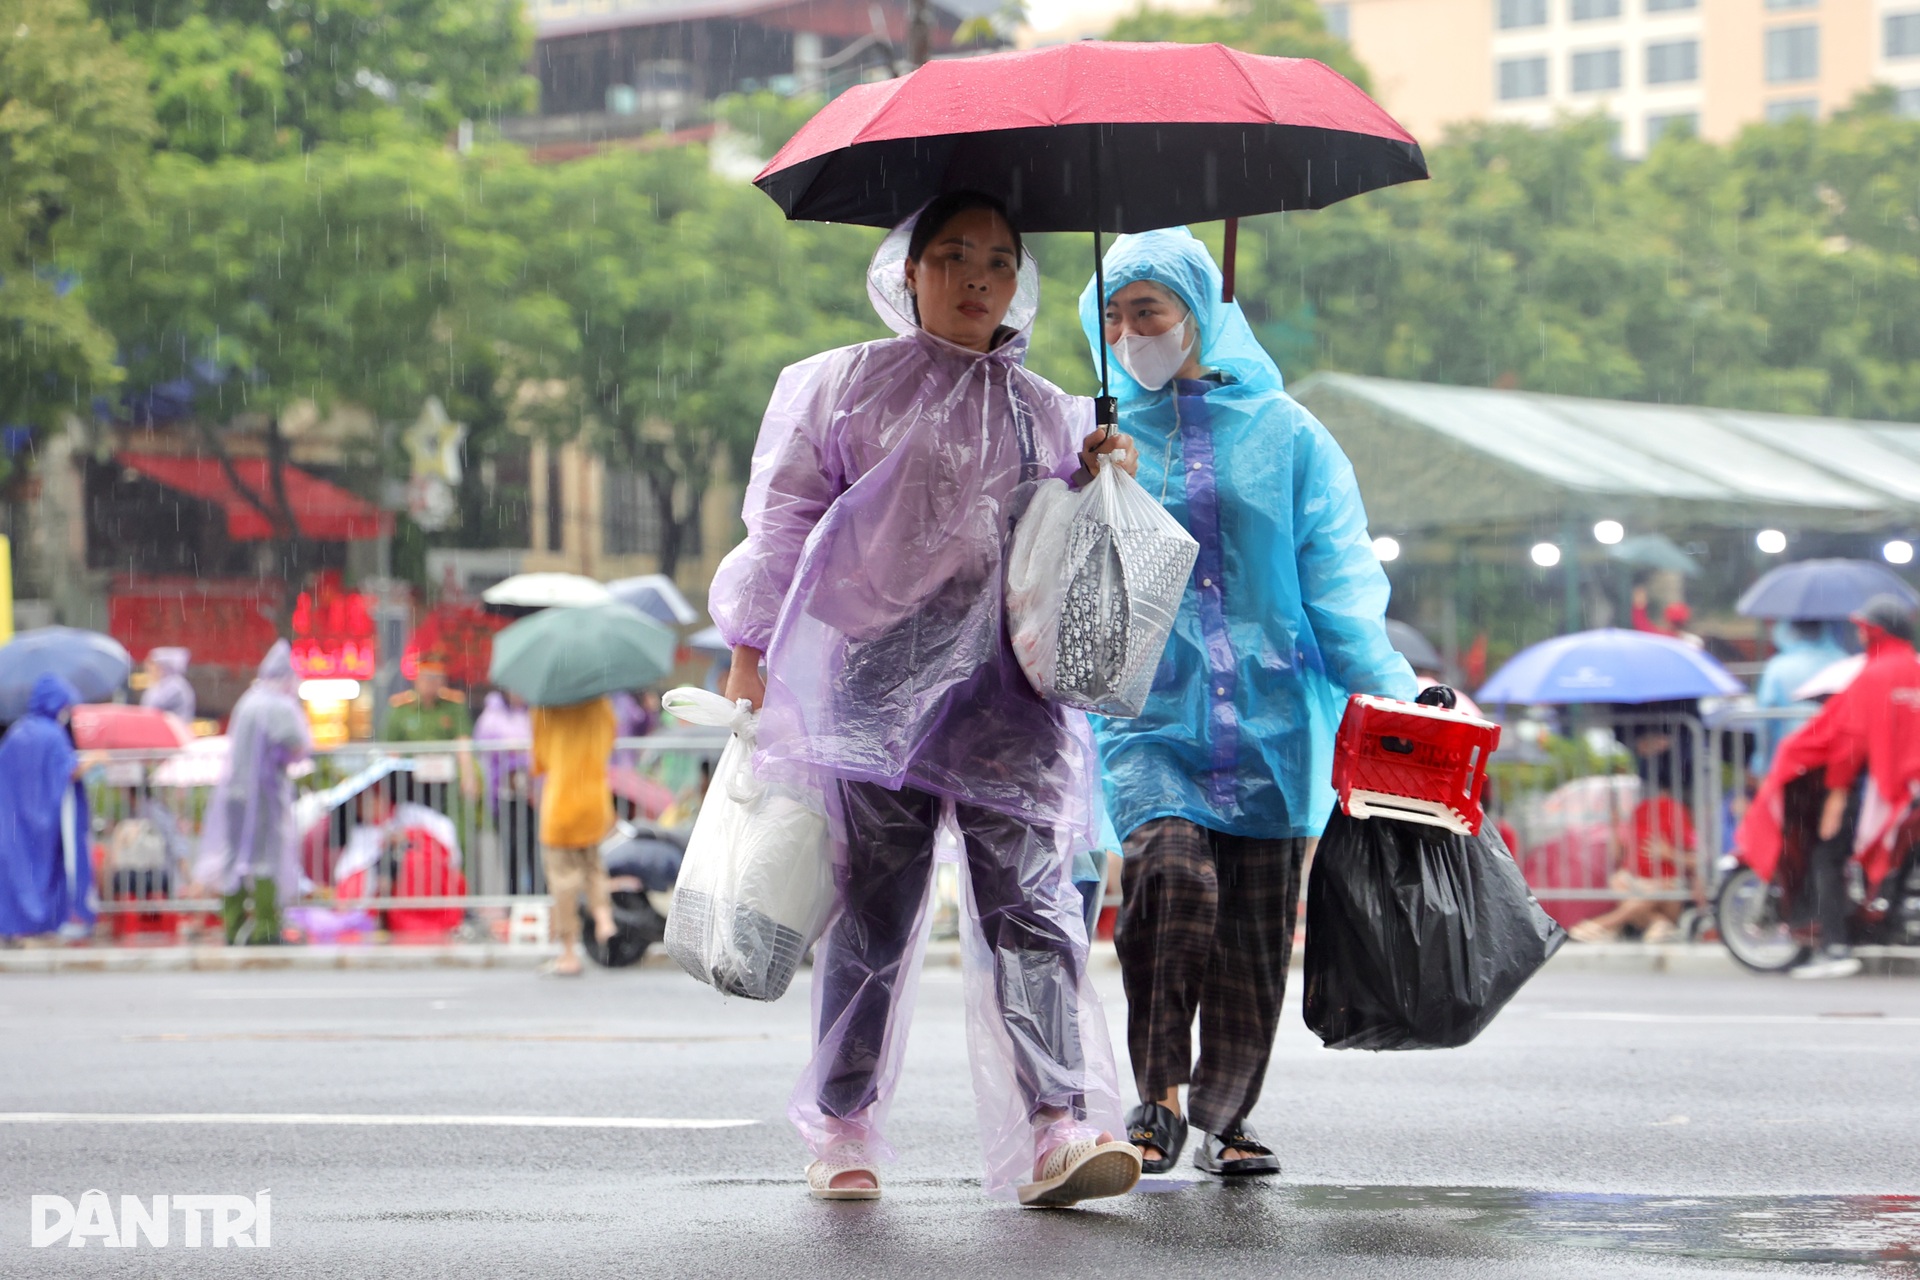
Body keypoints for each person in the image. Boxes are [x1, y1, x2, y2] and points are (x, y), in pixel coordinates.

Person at [709, 191, 1141, 1206]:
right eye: (953, 255)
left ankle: (1059, 1125)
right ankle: (844, 1125)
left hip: (1008, 688)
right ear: (910, 271)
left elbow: (1065, 551)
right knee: (876, 912)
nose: (977, 279)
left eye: (998, 260)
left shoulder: (1049, 409)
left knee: (1032, 910)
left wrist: (1104, 473)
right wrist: (749, 642)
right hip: (878, 680)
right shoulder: (841, 388)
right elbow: (783, 519)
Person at [1077, 227, 1417, 1180]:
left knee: (1257, 930)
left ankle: (1229, 1115)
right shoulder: (1096, 431)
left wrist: (1392, 693)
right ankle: (1160, 1096)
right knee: (1170, 879)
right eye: (1113, 314)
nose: (1130, 330)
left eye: (1147, 310)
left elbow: (1337, 578)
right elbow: (1067, 566)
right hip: (1148, 715)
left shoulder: (1289, 435)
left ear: (1199, 315)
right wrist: (1095, 486)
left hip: (1271, 722)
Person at [196, 641, 312, 946]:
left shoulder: (249, 700)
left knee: (233, 858)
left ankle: (232, 927)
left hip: (235, 793)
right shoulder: (276, 704)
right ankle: (266, 928)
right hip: (263, 792)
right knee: (266, 859)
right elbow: (295, 740)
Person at [0, 674, 96, 942]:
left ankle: (14, 927)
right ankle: (45, 923)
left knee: (18, 875)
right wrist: (97, 759)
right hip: (47, 822)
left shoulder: (17, 732)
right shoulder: (53, 735)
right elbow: (69, 771)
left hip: (14, 821)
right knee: (48, 874)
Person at [530, 695, 617, 978]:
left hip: (561, 802)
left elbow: (540, 758)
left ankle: (569, 952)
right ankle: (604, 919)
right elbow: (609, 739)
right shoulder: (599, 702)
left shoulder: (545, 704)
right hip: (594, 798)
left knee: (563, 878)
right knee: (593, 867)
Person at [1751, 620, 1851, 775]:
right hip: (1836, 757)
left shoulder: (1778, 667)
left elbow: (1765, 720)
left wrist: (1763, 764)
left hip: (1792, 757)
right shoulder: (1845, 662)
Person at [385, 656, 478, 814]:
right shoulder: (401, 709)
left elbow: (463, 743)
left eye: (436, 678)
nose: (432, 683)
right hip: (411, 781)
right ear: (417, 679)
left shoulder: (453, 707)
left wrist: (468, 775)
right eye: (427, 678)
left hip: (446, 780)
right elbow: (392, 750)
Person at [474, 690, 539, 893]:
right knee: (510, 851)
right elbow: (483, 747)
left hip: (534, 794)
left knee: (536, 851)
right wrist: (510, 751)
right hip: (505, 794)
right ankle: (514, 900)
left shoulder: (536, 713)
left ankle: (539, 900)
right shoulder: (491, 716)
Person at [139, 647, 196, 721]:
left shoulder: (176, 686)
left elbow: (151, 709)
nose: (148, 668)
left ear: (163, 667)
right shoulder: (159, 685)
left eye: (152, 664)